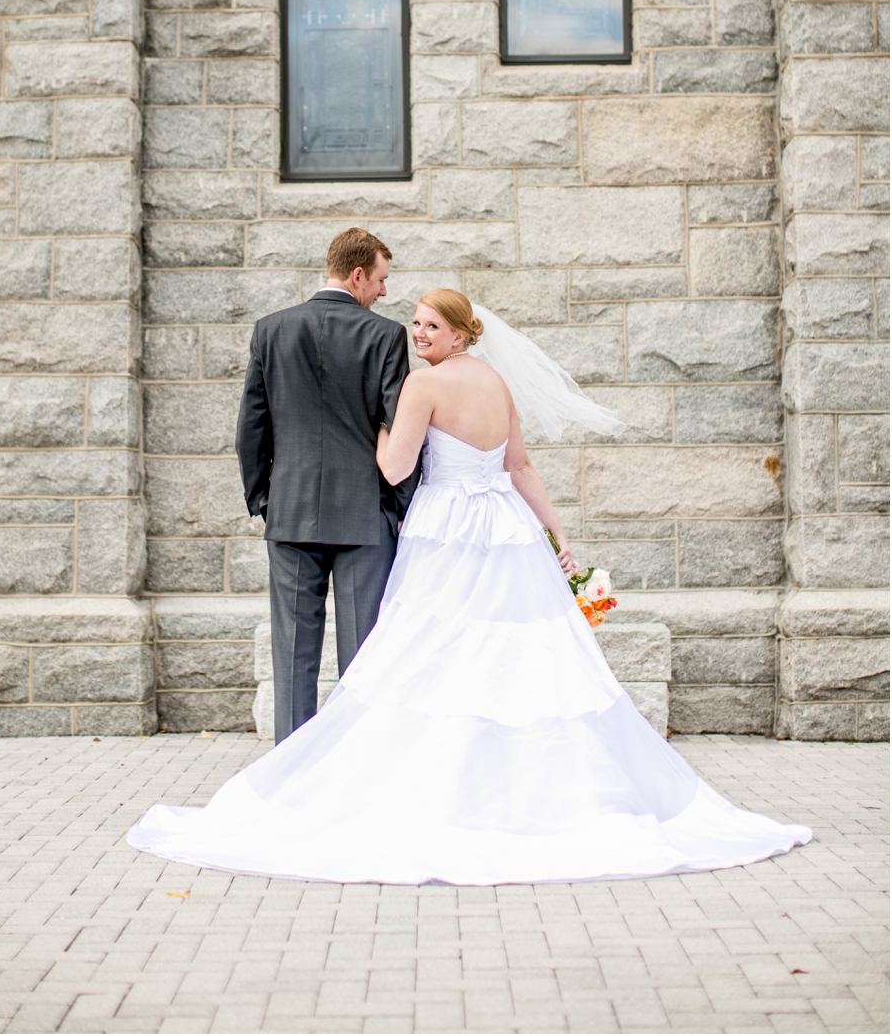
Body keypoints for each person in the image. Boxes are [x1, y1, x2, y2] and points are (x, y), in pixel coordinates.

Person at [128, 289, 811, 883]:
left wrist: (359, 424)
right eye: (417, 324)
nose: (416, 334)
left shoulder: (424, 387)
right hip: (507, 532)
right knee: (517, 661)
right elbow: (520, 467)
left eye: (428, 326)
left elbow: (395, 469)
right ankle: (510, 792)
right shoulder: (495, 383)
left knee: (428, 653)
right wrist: (558, 536)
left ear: (459, 333)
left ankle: (429, 790)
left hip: (446, 533)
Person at [233, 227, 418, 744]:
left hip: (290, 513)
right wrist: (399, 510)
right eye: (381, 280)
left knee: (292, 655)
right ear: (357, 275)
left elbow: (251, 425)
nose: (384, 291)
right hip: (365, 518)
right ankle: (356, 769)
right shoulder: (384, 337)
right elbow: (398, 428)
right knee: (364, 657)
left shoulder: (271, 329)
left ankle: (290, 773)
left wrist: (265, 500)